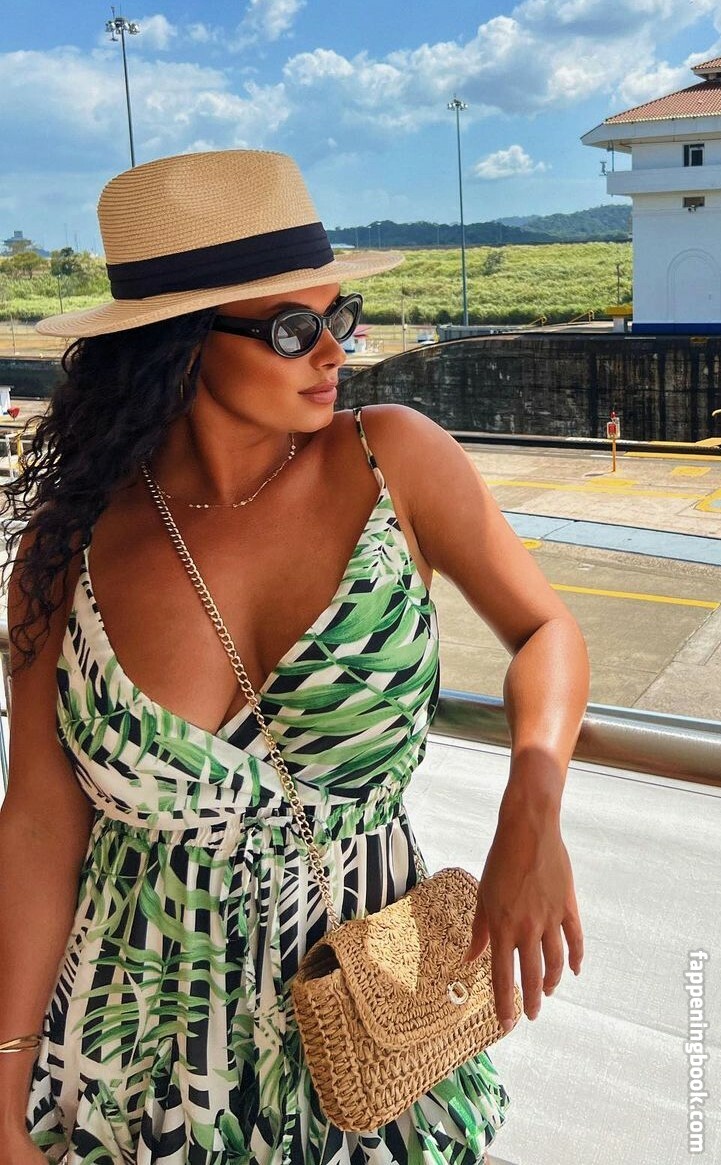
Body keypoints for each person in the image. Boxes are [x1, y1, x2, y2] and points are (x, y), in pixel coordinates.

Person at [0, 149, 589, 1165]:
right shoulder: (69, 550)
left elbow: (547, 630)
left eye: (338, 316)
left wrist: (530, 812)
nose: (334, 352)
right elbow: (40, 826)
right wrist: (5, 1091)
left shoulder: (391, 458)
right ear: (176, 344)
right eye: (290, 328)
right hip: (134, 1067)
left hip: (369, 1034)